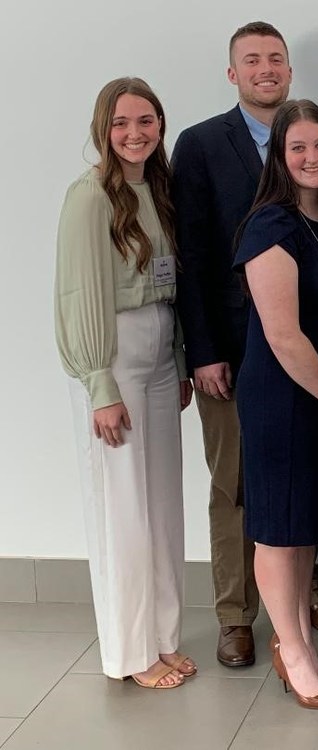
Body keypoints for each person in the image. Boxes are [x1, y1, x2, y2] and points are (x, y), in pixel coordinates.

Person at [55, 77, 195, 689]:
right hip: (114, 355)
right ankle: (129, 652)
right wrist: (98, 384)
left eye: (146, 120)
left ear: (160, 125)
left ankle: (161, 639)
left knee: (162, 505)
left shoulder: (159, 189)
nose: (134, 133)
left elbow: (174, 284)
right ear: (102, 129)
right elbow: (77, 294)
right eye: (120, 123)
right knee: (123, 510)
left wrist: (184, 359)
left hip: (163, 354)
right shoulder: (88, 197)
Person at [233, 99, 318, 711]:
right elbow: (284, 336)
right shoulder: (271, 226)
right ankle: (291, 653)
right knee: (278, 533)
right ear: (280, 158)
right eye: (298, 148)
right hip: (285, 402)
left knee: (305, 525)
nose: (312, 158)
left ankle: (305, 647)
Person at [171, 21, 292, 668]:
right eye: (252, 60)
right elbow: (189, 254)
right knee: (235, 484)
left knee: (297, 476)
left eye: (275, 58)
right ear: (232, 73)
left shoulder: (307, 137)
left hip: (303, 347)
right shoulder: (198, 146)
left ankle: (294, 613)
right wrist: (203, 350)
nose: (265, 68)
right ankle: (234, 614)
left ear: (289, 69)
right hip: (233, 349)